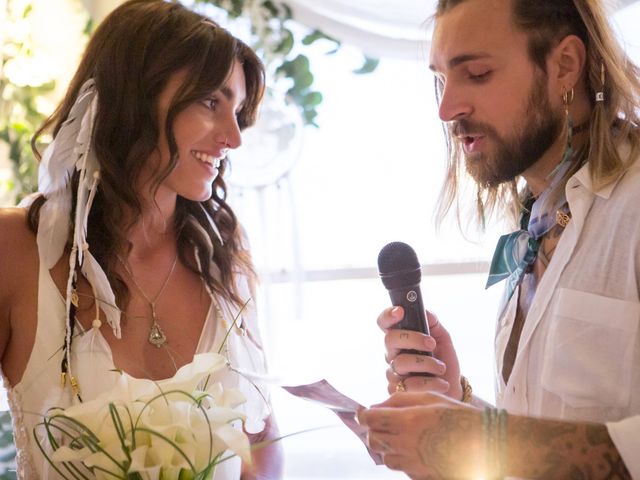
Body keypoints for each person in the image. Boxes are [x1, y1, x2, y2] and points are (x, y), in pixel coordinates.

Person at [0, 0, 283, 478]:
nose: (233, 137)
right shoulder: (15, 248)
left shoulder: (224, 255)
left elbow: (260, 442)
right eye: (211, 102)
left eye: (236, 110)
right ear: (134, 96)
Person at [358, 0, 640, 478]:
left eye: (478, 73)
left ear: (564, 66)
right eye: (442, 79)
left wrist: (480, 436)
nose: (448, 108)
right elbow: (548, 434)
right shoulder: (538, 220)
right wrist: (458, 404)